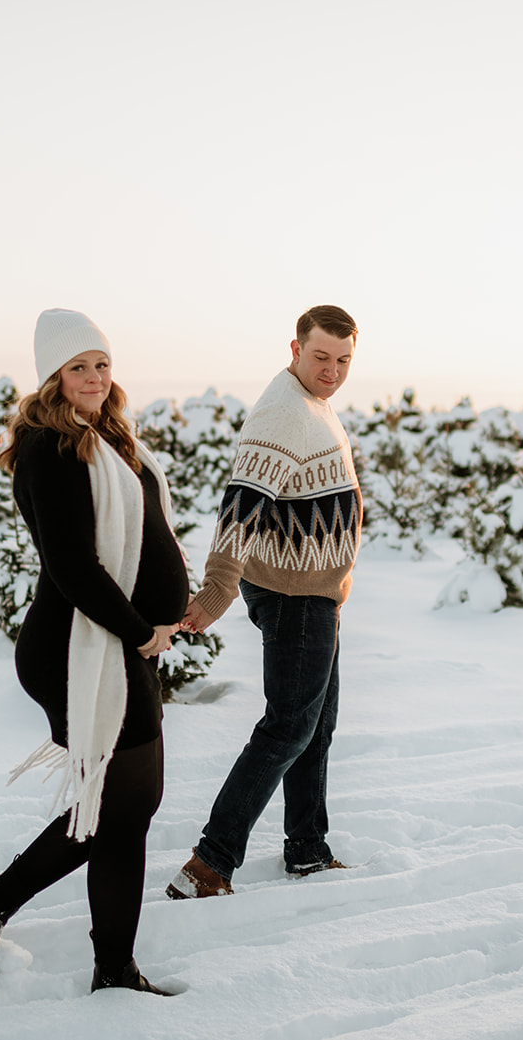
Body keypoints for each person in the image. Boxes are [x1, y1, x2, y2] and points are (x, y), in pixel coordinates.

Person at [0, 308, 187, 995]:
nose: (95, 377)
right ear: (53, 375)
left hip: (118, 641)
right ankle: (89, 954)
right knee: (124, 805)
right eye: (79, 366)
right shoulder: (51, 449)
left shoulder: (107, 440)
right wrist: (141, 629)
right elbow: (73, 566)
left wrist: (171, 609)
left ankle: (0, 910)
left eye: (102, 364)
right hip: (76, 645)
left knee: (124, 804)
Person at [166, 304, 363, 899]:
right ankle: (209, 864)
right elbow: (242, 504)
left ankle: (306, 847)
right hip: (293, 596)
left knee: (314, 727)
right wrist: (218, 587)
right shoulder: (284, 412)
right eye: (321, 357)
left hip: (314, 593)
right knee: (286, 730)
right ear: (296, 349)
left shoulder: (311, 404)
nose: (331, 370)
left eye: (343, 360)